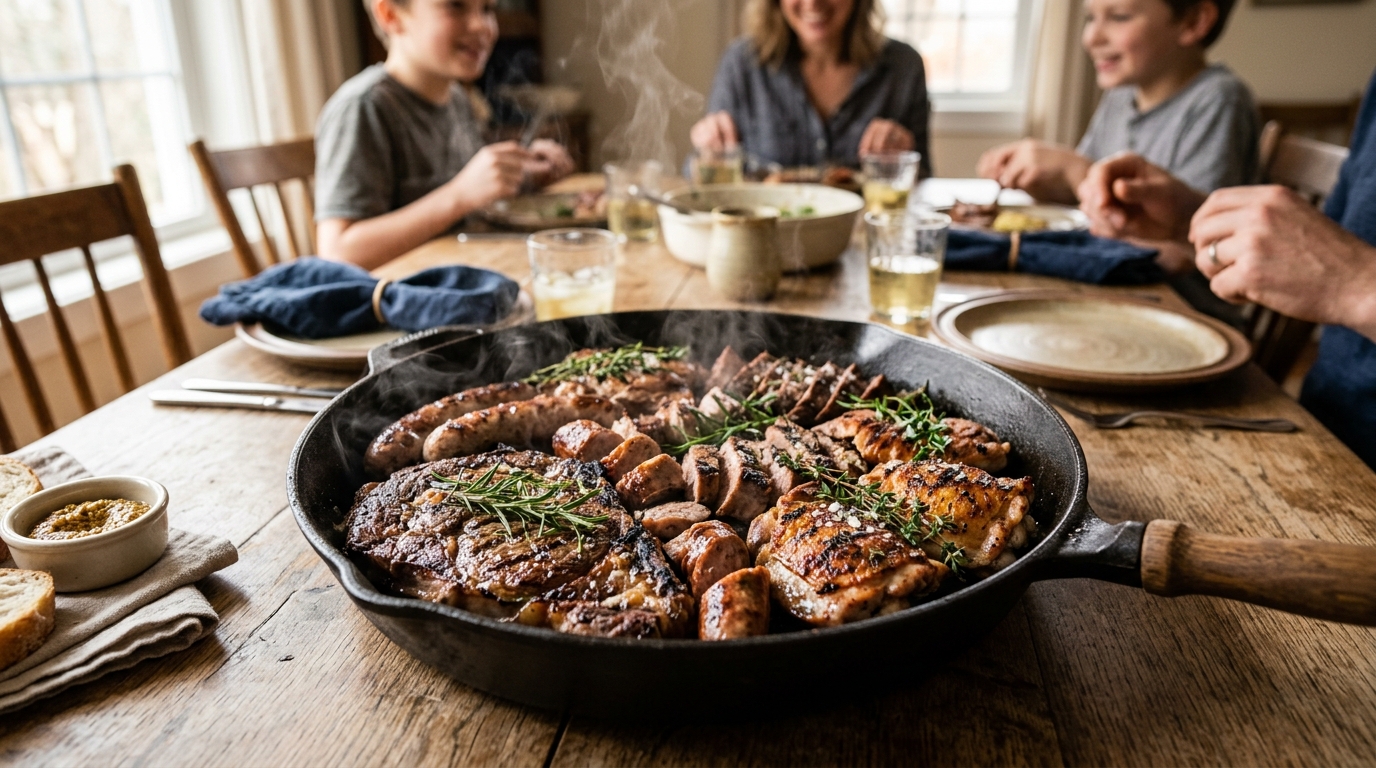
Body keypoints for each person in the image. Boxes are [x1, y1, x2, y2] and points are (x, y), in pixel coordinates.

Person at [1076, 69, 1376, 467]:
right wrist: (1193, 220)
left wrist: (1358, 286)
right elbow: (1338, 243)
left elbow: (1344, 266)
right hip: (1321, 428)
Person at [315, 0, 573, 270]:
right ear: (390, 15)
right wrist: (460, 194)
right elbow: (338, 252)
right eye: (455, 6)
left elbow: (471, 199)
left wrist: (522, 175)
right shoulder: (364, 107)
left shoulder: (458, 99)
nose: (481, 25)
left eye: (487, 9)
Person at [977, 0, 1257, 204]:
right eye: (1091, 17)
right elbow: (1083, 192)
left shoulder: (1218, 99)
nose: (1091, 38)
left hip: (1171, 285)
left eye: (1119, 16)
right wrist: (1045, 178)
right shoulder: (1121, 95)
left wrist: (1075, 170)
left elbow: (1193, 225)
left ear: (1193, 22)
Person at [690, 0, 931, 175]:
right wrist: (708, 152)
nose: (812, 3)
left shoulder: (903, 67)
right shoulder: (742, 63)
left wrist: (904, 159)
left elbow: (923, 179)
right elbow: (701, 179)